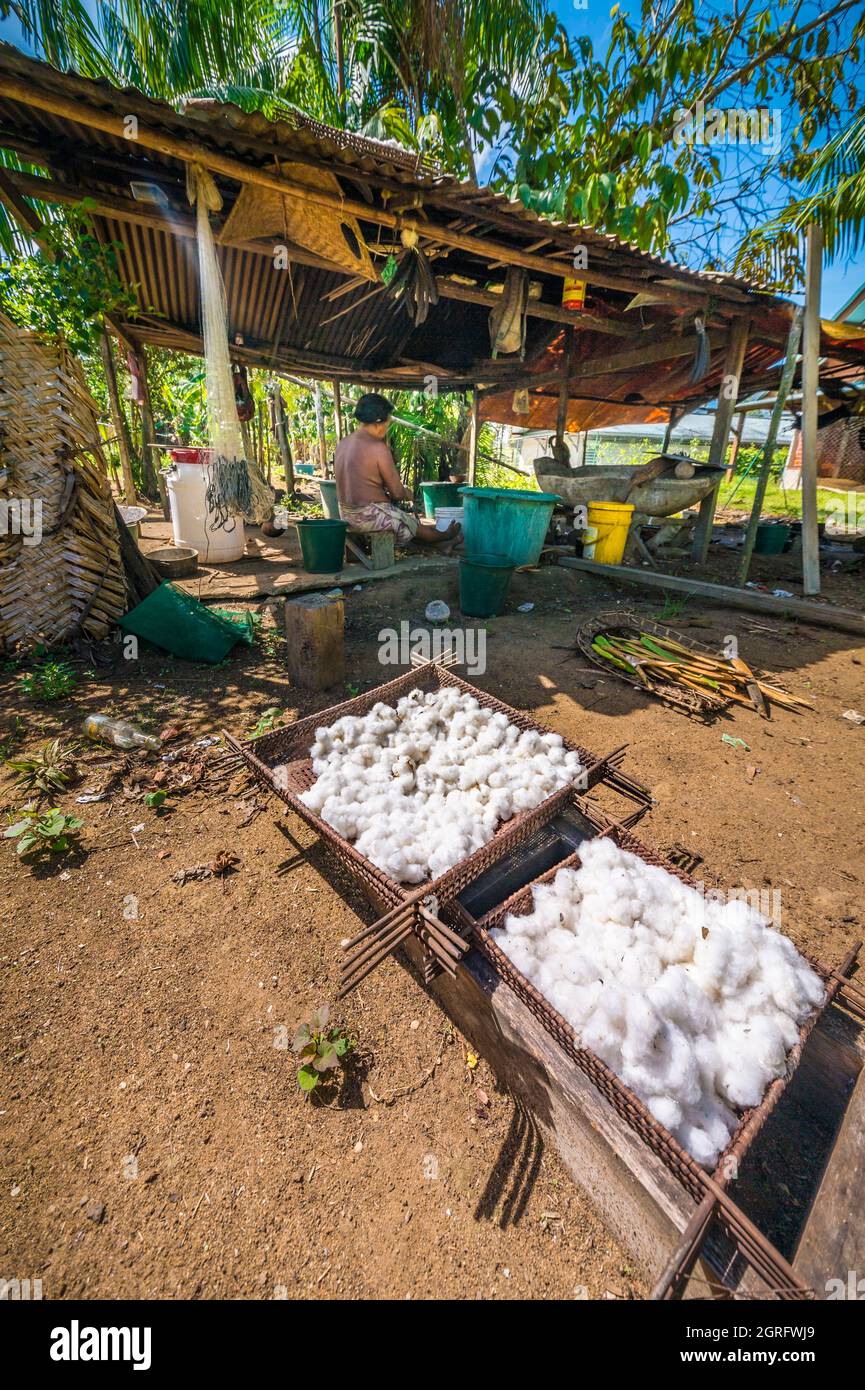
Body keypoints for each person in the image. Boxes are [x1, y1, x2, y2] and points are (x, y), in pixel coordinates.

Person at [334, 393, 461, 547]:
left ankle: (443, 544)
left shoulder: (343, 444)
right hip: (370, 518)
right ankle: (444, 536)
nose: (388, 426)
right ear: (378, 422)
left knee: (408, 522)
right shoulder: (378, 448)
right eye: (388, 421)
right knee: (411, 525)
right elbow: (397, 493)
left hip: (345, 515)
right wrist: (408, 493)